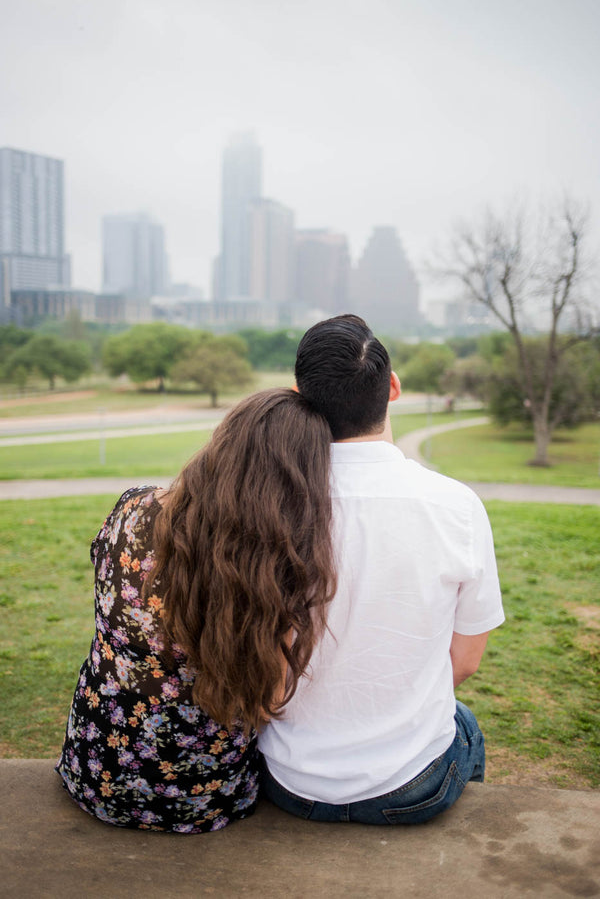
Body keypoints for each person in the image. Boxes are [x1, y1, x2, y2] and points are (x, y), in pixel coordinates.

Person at [259, 315, 505, 825]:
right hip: (413, 787)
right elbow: (464, 663)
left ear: (299, 395)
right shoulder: (457, 506)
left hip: (289, 779)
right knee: (465, 723)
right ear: (393, 387)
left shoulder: (270, 506)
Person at [56, 388, 336, 833]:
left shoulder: (132, 508)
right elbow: (270, 704)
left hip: (92, 767)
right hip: (200, 795)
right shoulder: (268, 571)